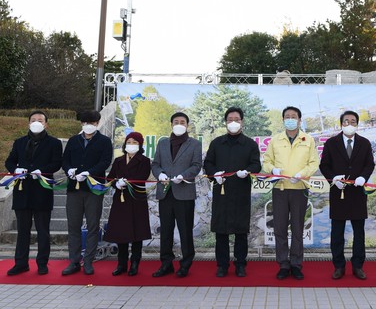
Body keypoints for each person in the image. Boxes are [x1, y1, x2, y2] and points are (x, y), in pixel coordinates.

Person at [203, 107, 262, 277]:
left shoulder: (250, 144)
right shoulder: (216, 143)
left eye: (237, 119)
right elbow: (208, 163)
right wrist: (215, 174)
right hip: (221, 191)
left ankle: (240, 264)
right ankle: (222, 265)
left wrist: (247, 171)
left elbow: (256, 164)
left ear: (242, 122)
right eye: (230, 119)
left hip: (241, 192)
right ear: (226, 122)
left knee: (240, 231)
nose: (233, 122)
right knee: (221, 231)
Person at [262, 106, 319, 280]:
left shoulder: (308, 139)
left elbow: (314, 162)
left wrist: (302, 174)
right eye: (287, 116)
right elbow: (266, 162)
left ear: (300, 120)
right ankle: (283, 264)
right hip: (280, 189)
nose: (290, 119)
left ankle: (296, 264)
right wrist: (274, 170)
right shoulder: (275, 140)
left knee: (297, 228)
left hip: (299, 189)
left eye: (294, 116)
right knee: (279, 228)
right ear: (283, 120)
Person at [4, 110, 63, 276]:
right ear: (28, 123)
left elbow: (57, 163)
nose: (36, 122)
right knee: (23, 230)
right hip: (22, 191)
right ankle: (21, 263)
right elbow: (9, 161)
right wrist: (15, 169)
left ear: (46, 124)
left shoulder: (54, 143)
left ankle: (42, 263)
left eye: (40, 120)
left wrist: (42, 171)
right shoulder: (20, 142)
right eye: (33, 120)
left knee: (43, 230)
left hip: (42, 191)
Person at [319, 110, 375, 280]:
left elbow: (369, 164)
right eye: (346, 121)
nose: (349, 124)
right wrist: (333, 179)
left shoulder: (364, 143)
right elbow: (324, 165)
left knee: (359, 232)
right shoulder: (331, 143)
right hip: (338, 192)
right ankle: (338, 266)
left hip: (357, 193)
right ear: (341, 123)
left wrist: (363, 177)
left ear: (357, 124)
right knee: (337, 232)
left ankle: (358, 265)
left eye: (352, 121)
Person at [61, 110, 113, 276]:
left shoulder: (104, 141)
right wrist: (69, 170)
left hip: (94, 189)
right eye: (85, 123)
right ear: (81, 123)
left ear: (97, 123)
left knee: (92, 226)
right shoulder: (73, 140)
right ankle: (74, 261)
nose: (88, 126)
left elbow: (105, 161)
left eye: (92, 122)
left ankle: (89, 261)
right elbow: (65, 160)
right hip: (74, 189)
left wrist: (89, 172)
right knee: (73, 226)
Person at [151, 112, 202, 278]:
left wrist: (184, 176)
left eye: (182, 122)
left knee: (185, 230)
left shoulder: (194, 144)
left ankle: (185, 264)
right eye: (176, 121)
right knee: (166, 230)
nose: (179, 124)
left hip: (184, 193)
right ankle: (166, 263)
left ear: (187, 125)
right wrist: (160, 175)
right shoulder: (163, 143)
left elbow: (196, 165)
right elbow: (156, 164)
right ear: (171, 124)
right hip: (165, 192)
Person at [104, 131, 152, 277]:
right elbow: (110, 178)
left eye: (135, 142)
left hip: (137, 199)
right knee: (121, 233)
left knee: (137, 233)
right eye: (129, 142)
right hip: (121, 200)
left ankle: (135, 263)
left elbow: (142, 177)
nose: (131, 145)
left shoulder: (144, 161)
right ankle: (121, 264)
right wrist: (115, 183)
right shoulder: (118, 161)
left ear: (140, 145)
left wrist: (127, 181)